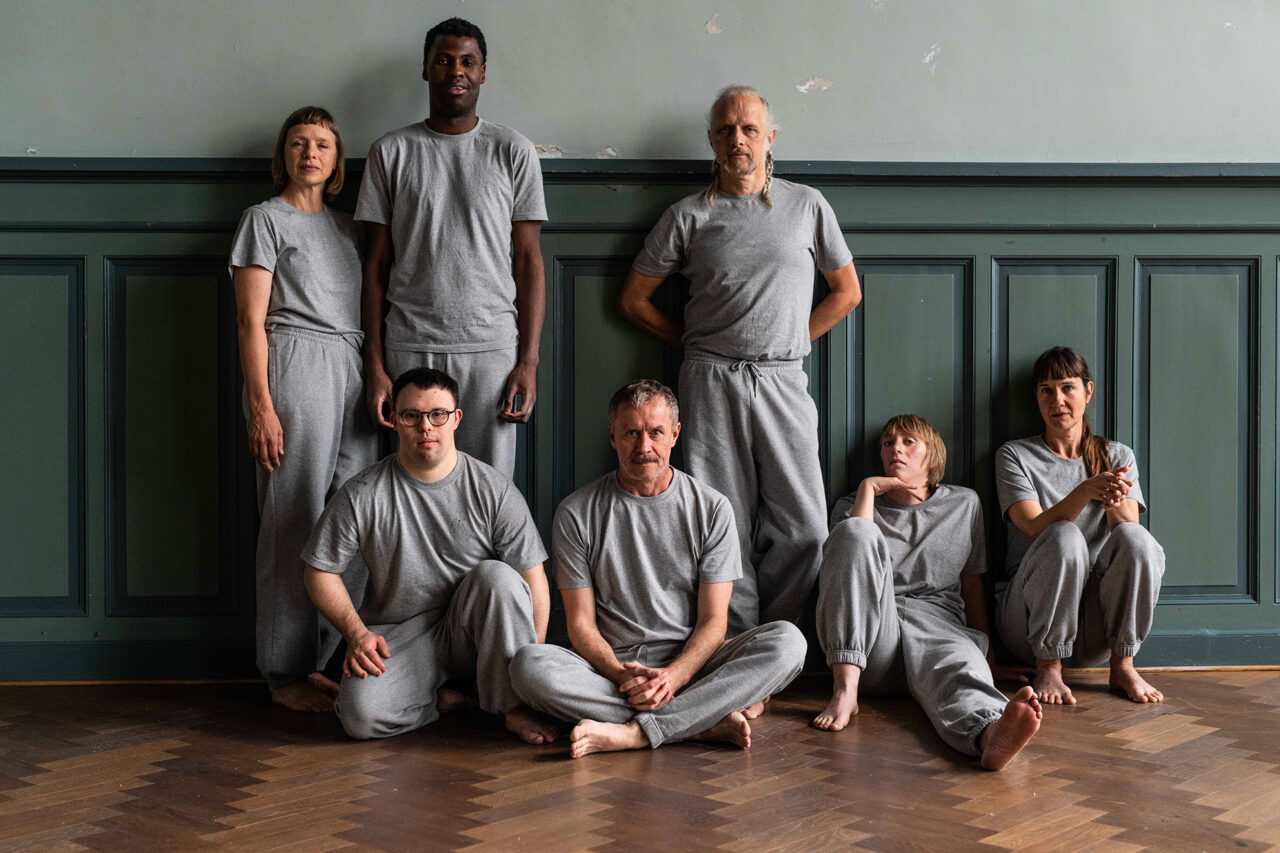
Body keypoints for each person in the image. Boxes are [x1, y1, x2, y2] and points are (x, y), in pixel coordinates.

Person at [618, 85, 860, 636]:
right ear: (711, 141)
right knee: (719, 519)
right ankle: (733, 643)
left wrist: (794, 339)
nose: (737, 139)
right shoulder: (687, 215)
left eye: (749, 128)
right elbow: (633, 299)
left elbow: (846, 292)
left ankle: (782, 642)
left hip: (782, 379)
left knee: (802, 524)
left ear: (770, 138)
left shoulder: (807, 205)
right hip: (708, 380)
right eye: (726, 129)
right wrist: (696, 344)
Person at [510, 380, 806, 757]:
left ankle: (637, 732)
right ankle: (698, 722)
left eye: (655, 432)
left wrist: (673, 677)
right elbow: (580, 624)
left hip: (695, 665)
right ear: (613, 436)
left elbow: (714, 623)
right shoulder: (576, 513)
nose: (644, 447)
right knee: (528, 665)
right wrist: (621, 675)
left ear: (675, 435)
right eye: (631, 432)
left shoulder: (712, 508)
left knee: (789, 643)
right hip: (614, 671)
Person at [302, 367, 557, 742]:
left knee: (499, 577)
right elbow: (319, 571)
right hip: (400, 636)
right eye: (412, 415)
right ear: (394, 420)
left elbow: (534, 580)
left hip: (477, 633)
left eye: (438, 414)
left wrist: (529, 673)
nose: (426, 426)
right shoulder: (363, 493)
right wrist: (356, 633)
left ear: (456, 419)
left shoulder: (493, 489)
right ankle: (446, 701)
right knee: (360, 717)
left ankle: (512, 707)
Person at [229, 106, 378, 712]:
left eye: (321, 144)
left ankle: (330, 659)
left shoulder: (349, 229)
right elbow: (249, 321)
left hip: (352, 363)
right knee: (292, 512)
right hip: (294, 362)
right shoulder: (264, 220)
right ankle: (284, 669)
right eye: (298, 143)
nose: (310, 153)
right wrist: (262, 407)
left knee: (354, 510)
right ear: (283, 154)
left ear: (337, 159)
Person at [356, 17, 546, 479]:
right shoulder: (391, 152)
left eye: (467, 61)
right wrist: (376, 365)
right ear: (426, 69)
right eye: (443, 60)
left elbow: (529, 261)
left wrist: (528, 360)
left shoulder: (513, 151)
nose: (455, 70)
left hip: (491, 348)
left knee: (490, 488)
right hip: (410, 343)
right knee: (411, 483)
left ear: (483, 72)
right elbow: (376, 265)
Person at [814, 415, 1042, 771]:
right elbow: (846, 574)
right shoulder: (852, 505)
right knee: (855, 533)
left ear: (932, 457)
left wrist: (989, 656)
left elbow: (971, 582)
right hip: (872, 643)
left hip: (938, 627)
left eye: (908, 442)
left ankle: (989, 733)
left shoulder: (964, 504)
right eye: (888, 443)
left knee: (961, 665)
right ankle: (845, 693)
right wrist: (866, 494)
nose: (895, 449)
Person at [995, 346, 1166, 705]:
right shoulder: (1015, 456)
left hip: (1095, 628)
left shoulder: (1118, 455)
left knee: (1138, 539)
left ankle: (1123, 664)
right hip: (1028, 624)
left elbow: (1127, 533)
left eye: (1067, 387)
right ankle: (1050, 666)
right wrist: (1085, 490)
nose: (1057, 399)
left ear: (1088, 392)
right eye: (1046, 390)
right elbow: (1033, 526)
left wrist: (1111, 494)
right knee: (1062, 534)